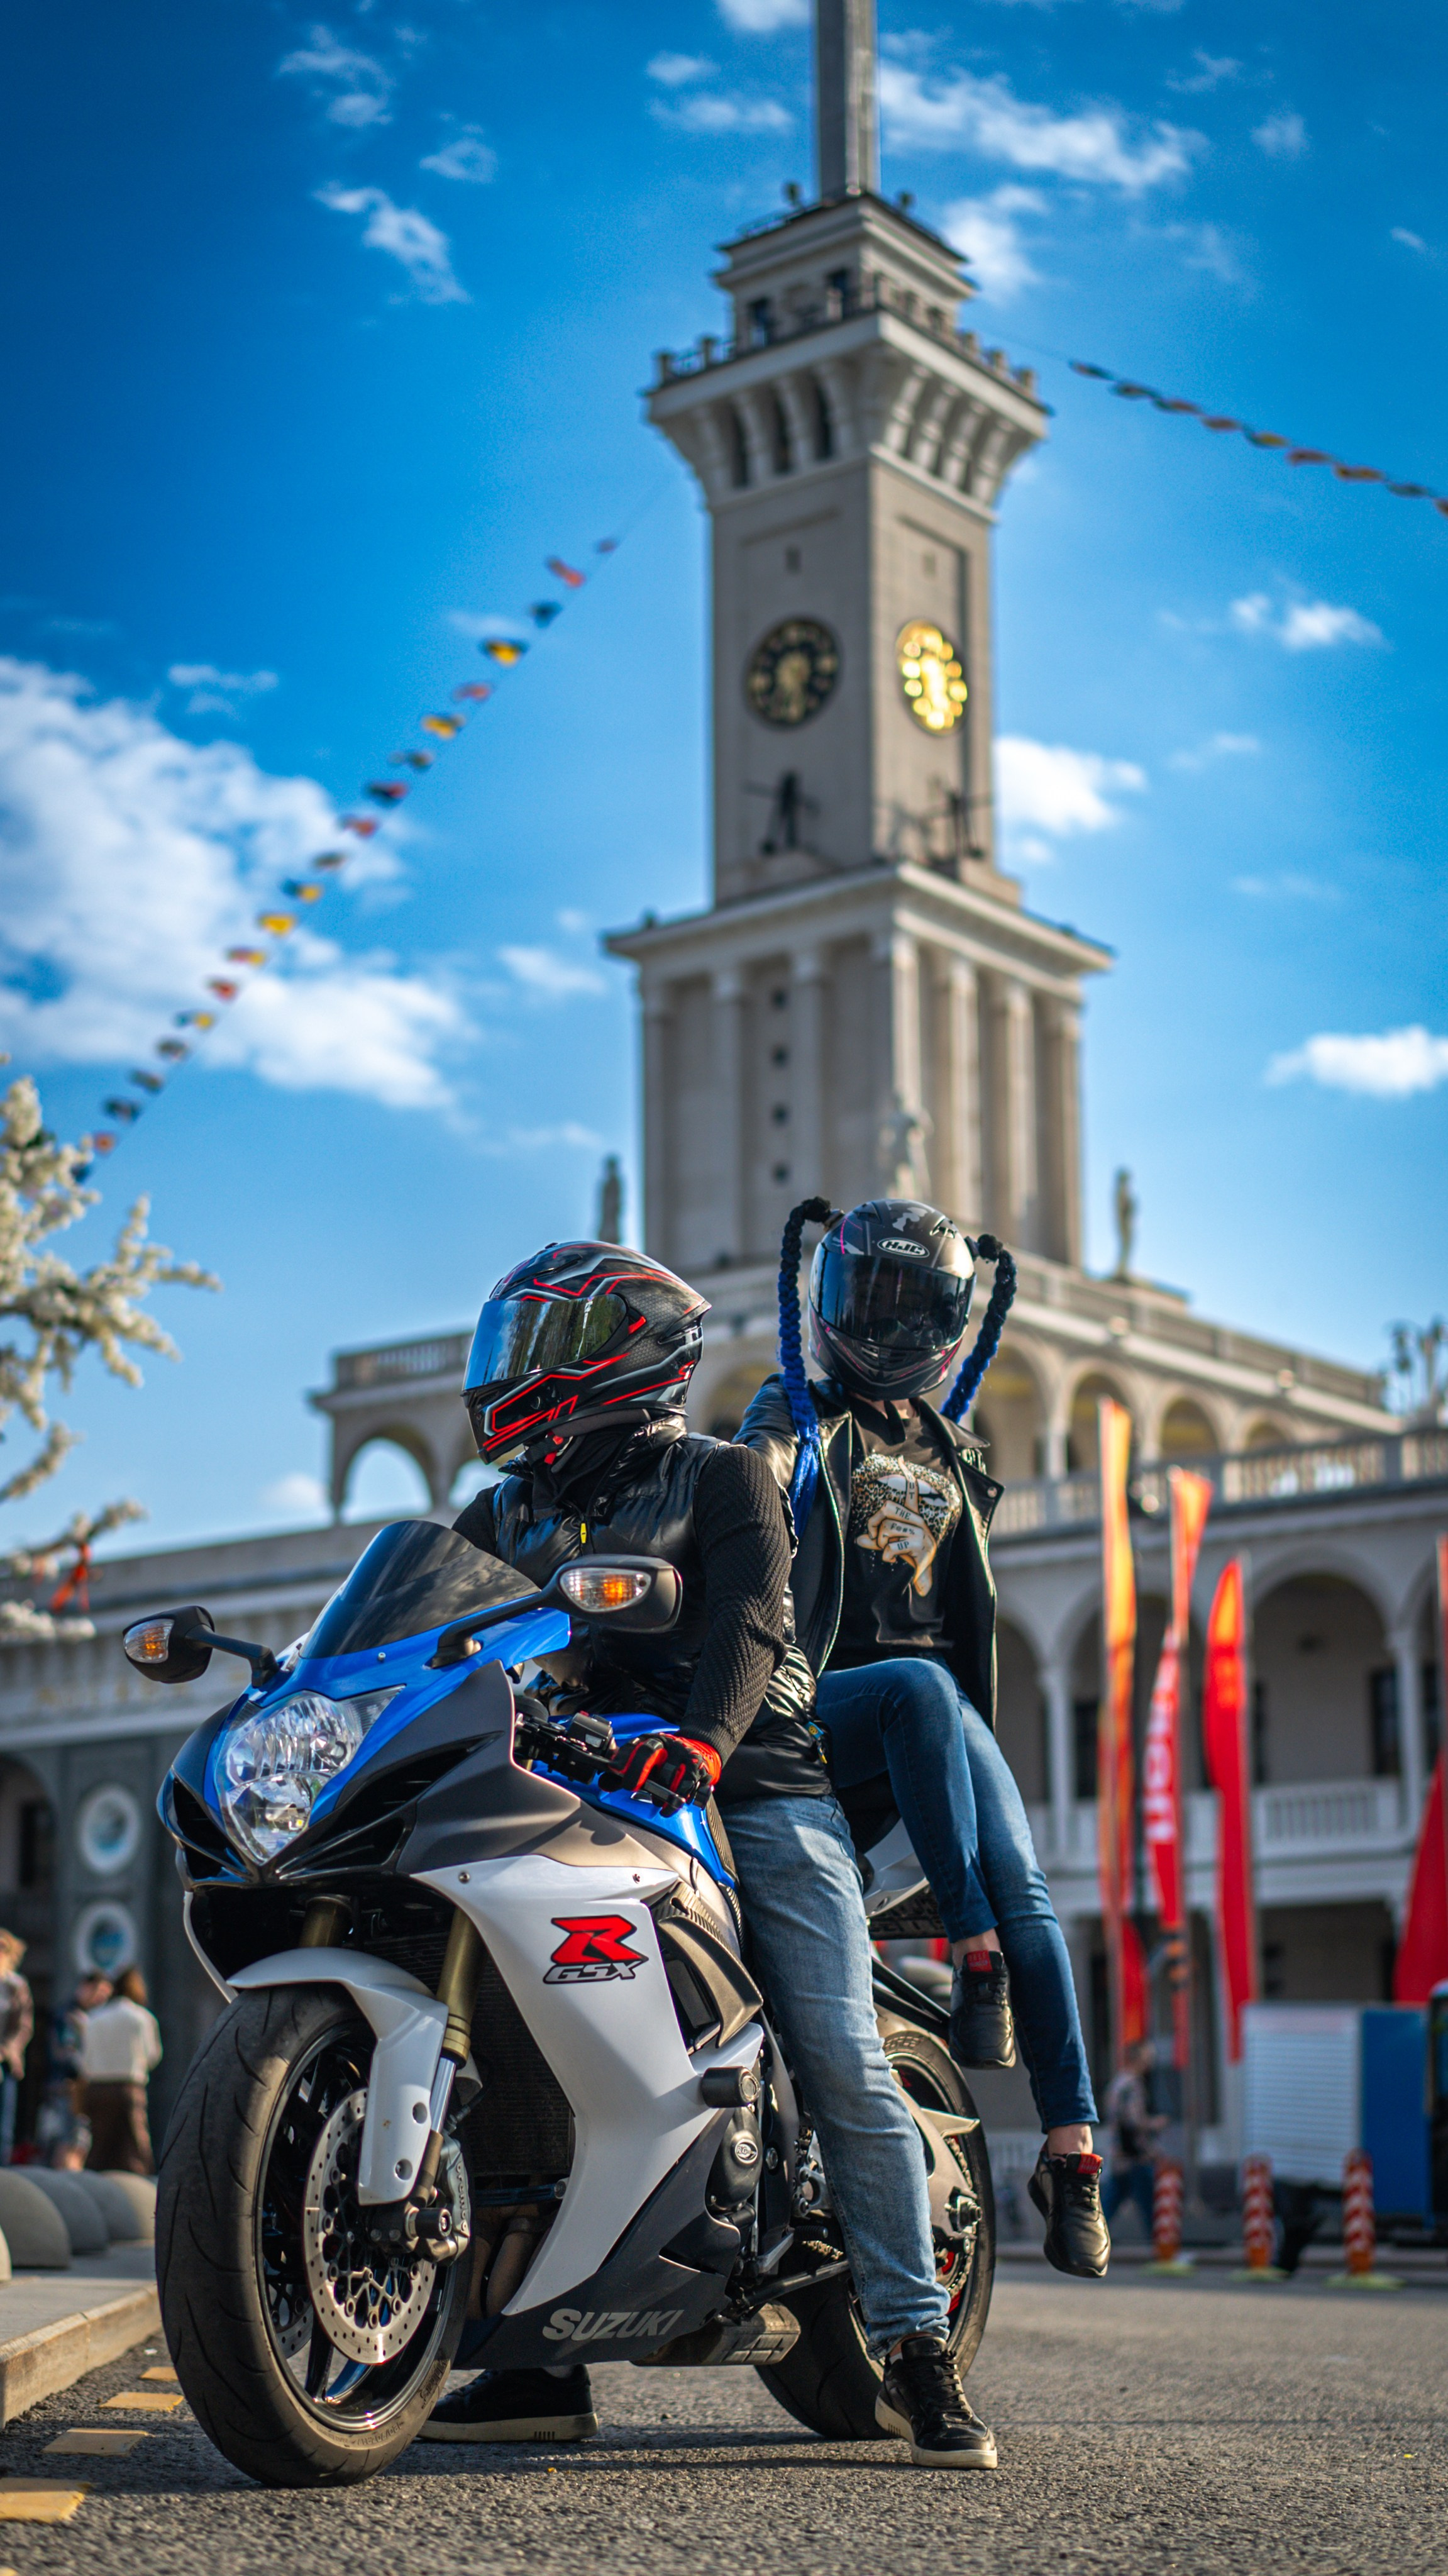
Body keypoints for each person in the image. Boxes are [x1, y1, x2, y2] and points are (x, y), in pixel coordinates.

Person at [422, 1238, 997, 2470]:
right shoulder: (497, 1511)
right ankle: (534, 2359)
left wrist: (702, 1737)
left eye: (532, 1351)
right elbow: (438, 1644)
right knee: (523, 2026)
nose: (506, 1377)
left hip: (749, 1781)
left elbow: (750, 1619)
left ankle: (913, 2346)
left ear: (617, 1356)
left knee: (836, 2048)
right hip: (572, 1777)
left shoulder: (721, 1475)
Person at [736, 1197, 1108, 2280]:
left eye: (914, 1304)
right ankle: (970, 1945)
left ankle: (1071, 2154)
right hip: (832, 1703)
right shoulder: (797, 1409)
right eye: (871, 1298)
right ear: (829, 1303)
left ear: (946, 1322)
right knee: (910, 1688)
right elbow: (748, 1471)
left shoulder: (948, 1440)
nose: (890, 1323)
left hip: (937, 1715)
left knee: (1031, 1886)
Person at [80, 1964, 161, 2175]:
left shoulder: (95, 2017)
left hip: (97, 2089)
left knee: (98, 2151)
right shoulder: (142, 2018)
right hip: (128, 2089)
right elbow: (152, 2056)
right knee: (136, 2149)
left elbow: (85, 2059)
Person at [1100, 2040, 1164, 2240]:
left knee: (1111, 2201)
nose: (1150, 2063)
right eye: (1148, 2057)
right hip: (1134, 2156)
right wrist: (1154, 2125)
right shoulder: (1131, 2085)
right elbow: (1132, 2122)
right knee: (1149, 2204)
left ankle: (1090, 2239)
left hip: (1123, 2156)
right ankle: (1161, 2246)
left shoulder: (1118, 2083)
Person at [0, 1931, 34, 2164]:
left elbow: (23, 2026)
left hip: (5, 2062)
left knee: (4, 2125)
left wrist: (5, 2050)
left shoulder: (16, 1986)